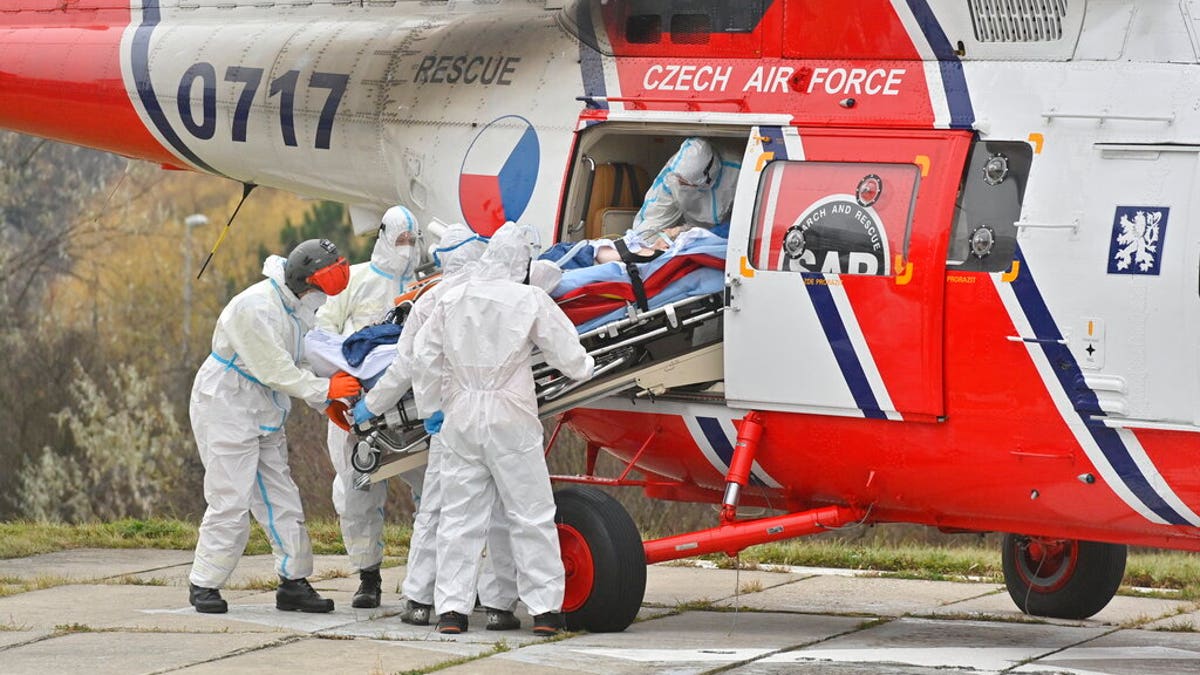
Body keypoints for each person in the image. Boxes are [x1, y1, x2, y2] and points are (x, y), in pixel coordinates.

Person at [410, 221, 595, 636]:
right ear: (521, 262)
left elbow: (424, 357)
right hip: (510, 415)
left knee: (459, 516)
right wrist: (585, 368)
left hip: (460, 415)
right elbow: (568, 353)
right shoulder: (528, 299)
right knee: (529, 513)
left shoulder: (453, 298)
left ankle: (452, 612)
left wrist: (430, 409)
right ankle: (545, 611)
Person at [352, 223, 523, 630]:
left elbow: (408, 363)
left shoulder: (432, 301)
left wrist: (370, 406)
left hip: (451, 418)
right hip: (506, 417)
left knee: (438, 511)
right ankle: (499, 606)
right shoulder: (509, 295)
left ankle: (420, 600)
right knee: (501, 509)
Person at [188, 238, 358, 615]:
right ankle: (205, 583)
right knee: (230, 498)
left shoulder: (296, 305)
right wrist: (326, 389)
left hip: (264, 407)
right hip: (226, 405)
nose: (321, 301)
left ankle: (293, 582)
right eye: (319, 292)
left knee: (281, 496)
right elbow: (275, 369)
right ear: (304, 280)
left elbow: (300, 360)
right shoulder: (255, 308)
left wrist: (326, 400)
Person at [315, 205, 420, 610]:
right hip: (356, 403)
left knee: (432, 489)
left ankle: (426, 576)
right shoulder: (355, 281)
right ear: (383, 237)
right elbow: (322, 332)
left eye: (413, 241)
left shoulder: (423, 284)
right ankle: (368, 576)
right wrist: (342, 370)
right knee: (357, 489)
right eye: (400, 240)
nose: (407, 249)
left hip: (410, 409)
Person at [620, 137, 740, 256]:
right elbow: (655, 214)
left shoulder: (737, 172)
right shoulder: (673, 175)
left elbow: (742, 226)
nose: (682, 186)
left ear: (707, 177)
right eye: (681, 182)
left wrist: (683, 232)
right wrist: (642, 243)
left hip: (725, 242)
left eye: (688, 184)